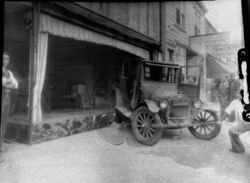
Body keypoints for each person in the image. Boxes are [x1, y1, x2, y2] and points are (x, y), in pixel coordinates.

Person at [1, 52, 18, 152]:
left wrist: (6, 82)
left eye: (7, 59)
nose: (6, 61)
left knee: (4, 121)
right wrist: (8, 82)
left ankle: (1, 145)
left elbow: (16, 84)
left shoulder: (9, 72)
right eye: (4, 58)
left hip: (7, 98)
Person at [225, 88, 250, 153]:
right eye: (239, 94)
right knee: (232, 132)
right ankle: (239, 148)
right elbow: (227, 111)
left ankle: (240, 149)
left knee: (232, 132)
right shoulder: (234, 102)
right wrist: (220, 120)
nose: (240, 95)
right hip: (244, 123)